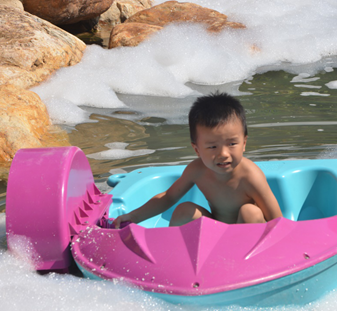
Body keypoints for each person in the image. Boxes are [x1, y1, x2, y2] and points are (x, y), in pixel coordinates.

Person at [113, 92, 282, 228]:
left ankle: (245, 263)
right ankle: (174, 255)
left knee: (250, 212)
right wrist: (133, 216)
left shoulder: (250, 175)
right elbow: (168, 197)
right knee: (184, 209)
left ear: (244, 143)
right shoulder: (197, 170)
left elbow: (277, 220)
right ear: (197, 149)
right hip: (217, 232)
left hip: (250, 240)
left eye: (232, 143)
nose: (223, 153)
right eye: (212, 147)